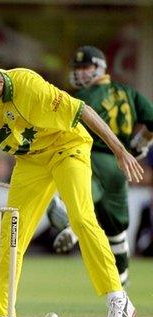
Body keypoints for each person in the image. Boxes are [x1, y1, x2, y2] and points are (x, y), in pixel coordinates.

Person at [0, 57, 142, 317]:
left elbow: (85, 111)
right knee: (9, 234)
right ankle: (1, 316)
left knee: (81, 218)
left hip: (68, 147)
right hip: (31, 161)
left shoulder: (31, 87)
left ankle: (119, 299)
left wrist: (120, 151)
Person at [47, 46, 153, 287]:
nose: (81, 73)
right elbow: (152, 121)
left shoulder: (84, 98)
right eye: (79, 68)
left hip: (92, 156)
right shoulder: (127, 92)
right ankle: (122, 290)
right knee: (116, 231)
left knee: (83, 195)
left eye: (87, 67)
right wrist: (141, 142)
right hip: (121, 166)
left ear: (101, 67)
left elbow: (60, 130)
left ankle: (69, 218)